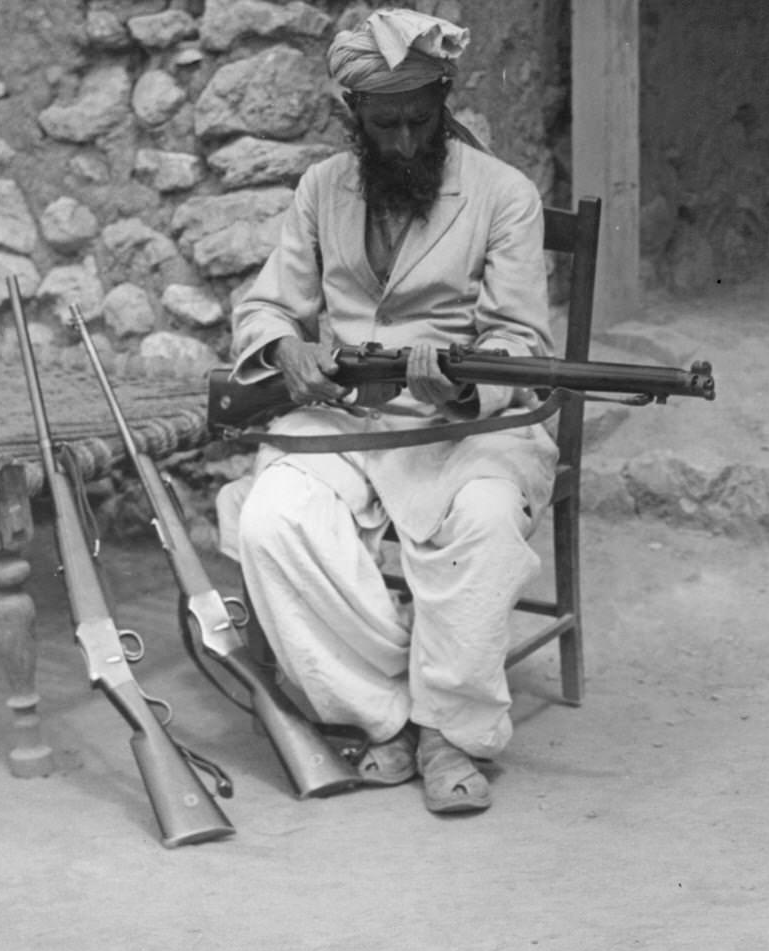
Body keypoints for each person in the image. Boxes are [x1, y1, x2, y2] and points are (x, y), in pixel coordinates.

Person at [216, 7, 560, 814]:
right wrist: (287, 351)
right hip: (349, 421)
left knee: (481, 519)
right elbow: (267, 305)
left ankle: (452, 732)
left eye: (419, 119)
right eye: (385, 124)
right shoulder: (319, 190)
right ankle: (383, 713)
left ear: (444, 101)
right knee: (271, 520)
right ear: (351, 118)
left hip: (465, 424)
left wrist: (464, 383)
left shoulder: (504, 195)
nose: (405, 142)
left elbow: (518, 336)